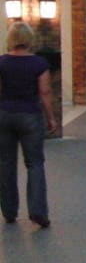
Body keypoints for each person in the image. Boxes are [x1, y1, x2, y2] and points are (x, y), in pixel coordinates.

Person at [0, 21, 56, 228]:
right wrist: (51, 117)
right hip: (30, 116)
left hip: (5, 115)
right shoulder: (39, 63)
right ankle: (37, 211)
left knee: (6, 163)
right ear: (29, 39)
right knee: (34, 163)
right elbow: (45, 92)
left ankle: (9, 211)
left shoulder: (2, 62)